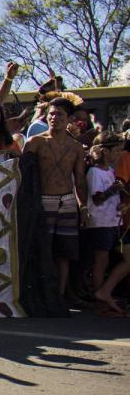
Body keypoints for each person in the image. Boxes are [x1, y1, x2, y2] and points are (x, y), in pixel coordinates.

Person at [24, 94, 89, 303]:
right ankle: (39, 294)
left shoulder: (76, 147)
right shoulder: (35, 142)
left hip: (67, 202)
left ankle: (58, 298)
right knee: (42, 250)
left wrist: (83, 206)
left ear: (69, 118)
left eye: (59, 115)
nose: (54, 118)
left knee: (64, 253)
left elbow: (79, 179)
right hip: (43, 201)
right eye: (51, 114)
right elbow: (24, 174)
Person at [82, 133, 125, 316]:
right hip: (99, 222)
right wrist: (113, 189)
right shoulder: (94, 172)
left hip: (113, 220)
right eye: (115, 151)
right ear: (104, 151)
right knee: (101, 261)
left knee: (108, 260)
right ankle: (99, 298)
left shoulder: (109, 170)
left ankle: (103, 293)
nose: (118, 155)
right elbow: (98, 198)